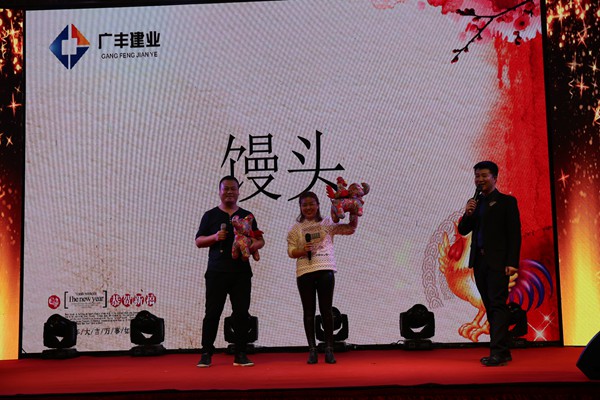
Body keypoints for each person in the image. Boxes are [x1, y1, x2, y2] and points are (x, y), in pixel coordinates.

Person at [195, 176, 265, 367]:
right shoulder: (210, 215)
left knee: (241, 313)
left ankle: (240, 353)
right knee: (212, 313)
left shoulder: (247, 215)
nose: (229, 192)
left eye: (233, 189)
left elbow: (260, 239)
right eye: (225, 189)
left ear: (238, 192)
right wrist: (215, 237)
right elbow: (199, 241)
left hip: (241, 273)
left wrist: (252, 245)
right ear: (219, 191)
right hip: (216, 272)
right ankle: (206, 353)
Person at [457, 161, 521, 367]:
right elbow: (463, 230)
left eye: (484, 175)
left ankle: (498, 352)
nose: (480, 180)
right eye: (477, 176)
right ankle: (503, 351)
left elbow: (514, 235)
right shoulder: (476, 203)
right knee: (490, 305)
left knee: (497, 305)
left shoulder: (506, 202)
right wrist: (468, 213)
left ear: (495, 178)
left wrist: (512, 262)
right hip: (479, 261)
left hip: (498, 262)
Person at [286, 191, 358, 364]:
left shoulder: (327, 223)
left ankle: (329, 349)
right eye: (304, 205)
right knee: (308, 312)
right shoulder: (295, 229)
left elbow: (350, 228)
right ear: (300, 207)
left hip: (325, 270)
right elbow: (291, 251)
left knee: (326, 311)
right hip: (305, 272)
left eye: (312, 204)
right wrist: (302, 251)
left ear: (318, 205)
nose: (308, 208)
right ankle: (312, 350)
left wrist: (355, 211)